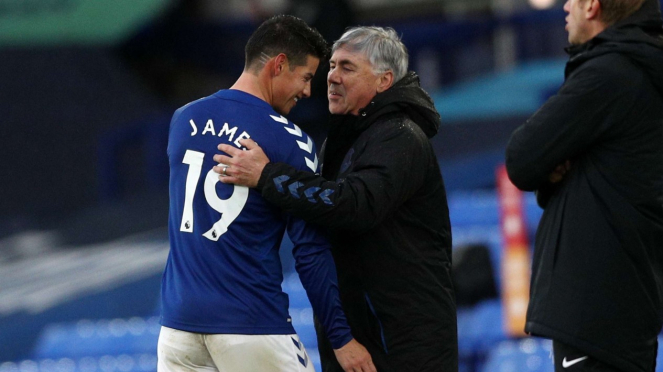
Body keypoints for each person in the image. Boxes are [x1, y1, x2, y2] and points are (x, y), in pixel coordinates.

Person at [213, 26, 458, 372]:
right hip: (361, 337)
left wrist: (268, 176)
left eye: (347, 67)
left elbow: (355, 205)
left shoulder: (400, 137)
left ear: (384, 81)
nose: (331, 77)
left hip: (401, 344)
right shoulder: (346, 139)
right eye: (332, 66)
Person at [158, 15, 375, 372]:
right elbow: (310, 251)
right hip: (251, 326)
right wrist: (341, 339)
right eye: (306, 77)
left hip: (178, 329)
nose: (307, 92)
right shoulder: (289, 140)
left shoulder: (184, 118)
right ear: (279, 65)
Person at [505, 0, 663, 370]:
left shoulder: (610, 72)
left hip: (596, 307)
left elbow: (522, 158)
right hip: (632, 294)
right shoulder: (644, 65)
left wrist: (558, 167)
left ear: (592, 7)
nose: (565, 7)